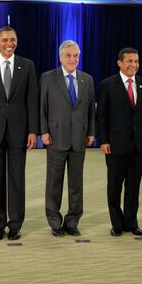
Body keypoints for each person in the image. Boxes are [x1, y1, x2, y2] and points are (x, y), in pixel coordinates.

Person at [0, 26, 38, 241]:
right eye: (4, 40)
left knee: (16, 179)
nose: (8, 43)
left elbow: (32, 100)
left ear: (17, 41)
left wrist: (33, 130)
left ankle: (15, 224)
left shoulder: (27, 66)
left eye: (12, 39)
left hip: (19, 132)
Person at [97, 47, 142, 237]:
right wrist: (103, 140)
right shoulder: (107, 85)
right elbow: (102, 116)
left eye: (136, 61)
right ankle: (117, 223)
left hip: (138, 145)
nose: (134, 65)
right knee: (114, 187)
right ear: (120, 63)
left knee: (133, 187)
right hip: (115, 145)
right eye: (130, 61)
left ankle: (132, 222)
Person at [40, 40, 95, 237]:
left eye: (76, 56)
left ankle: (72, 221)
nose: (73, 59)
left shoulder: (87, 79)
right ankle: (55, 221)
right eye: (68, 56)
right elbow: (42, 107)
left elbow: (90, 110)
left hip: (79, 138)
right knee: (54, 183)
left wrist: (91, 133)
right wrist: (43, 131)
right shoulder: (48, 78)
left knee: (76, 184)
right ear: (60, 57)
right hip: (55, 138)